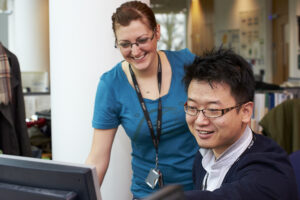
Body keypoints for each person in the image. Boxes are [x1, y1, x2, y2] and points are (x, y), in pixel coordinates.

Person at [85, 1, 198, 199]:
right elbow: (98, 157)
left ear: (157, 32)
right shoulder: (111, 84)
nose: (135, 51)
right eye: (125, 44)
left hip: (198, 190)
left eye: (142, 40)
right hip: (147, 194)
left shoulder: (188, 64)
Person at [182, 48, 298, 199]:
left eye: (213, 109)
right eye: (192, 107)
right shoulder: (204, 155)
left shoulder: (268, 173)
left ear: (246, 112)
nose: (200, 121)